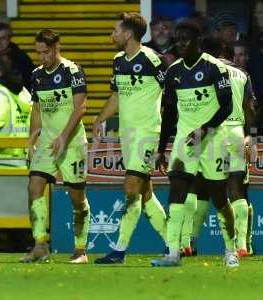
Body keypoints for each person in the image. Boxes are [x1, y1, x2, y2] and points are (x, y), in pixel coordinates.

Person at [150, 21, 238, 267]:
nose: (179, 44)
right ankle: (173, 252)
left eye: (185, 40)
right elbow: (168, 113)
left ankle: (230, 249)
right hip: (184, 141)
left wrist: (205, 128)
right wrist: (160, 149)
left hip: (213, 139)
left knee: (219, 197)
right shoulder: (174, 72)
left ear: (197, 41)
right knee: (176, 192)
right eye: (177, 40)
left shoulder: (215, 68)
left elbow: (227, 106)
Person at [92, 13, 168, 264]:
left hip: (147, 134)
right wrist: (99, 118)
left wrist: (166, 133)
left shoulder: (152, 59)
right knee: (146, 193)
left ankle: (119, 250)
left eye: (115, 30)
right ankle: (174, 245)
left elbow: (170, 95)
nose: (112, 35)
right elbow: (116, 97)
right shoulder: (117, 61)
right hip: (127, 135)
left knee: (131, 188)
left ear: (127, 34)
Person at [19, 29, 90, 263]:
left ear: (57, 48)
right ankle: (40, 245)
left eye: (46, 52)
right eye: (39, 53)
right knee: (34, 187)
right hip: (48, 143)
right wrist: (32, 138)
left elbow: (80, 108)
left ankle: (81, 251)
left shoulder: (73, 71)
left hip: (72, 143)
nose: (43, 58)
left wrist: (64, 137)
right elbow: (37, 109)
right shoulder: (37, 75)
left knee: (76, 197)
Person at [188, 35, 255, 258]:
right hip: (237, 131)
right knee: (237, 189)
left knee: (201, 189)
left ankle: (191, 243)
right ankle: (242, 246)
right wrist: (249, 136)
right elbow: (249, 108)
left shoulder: (206, 70)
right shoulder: (242, 73)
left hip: (213, 131)